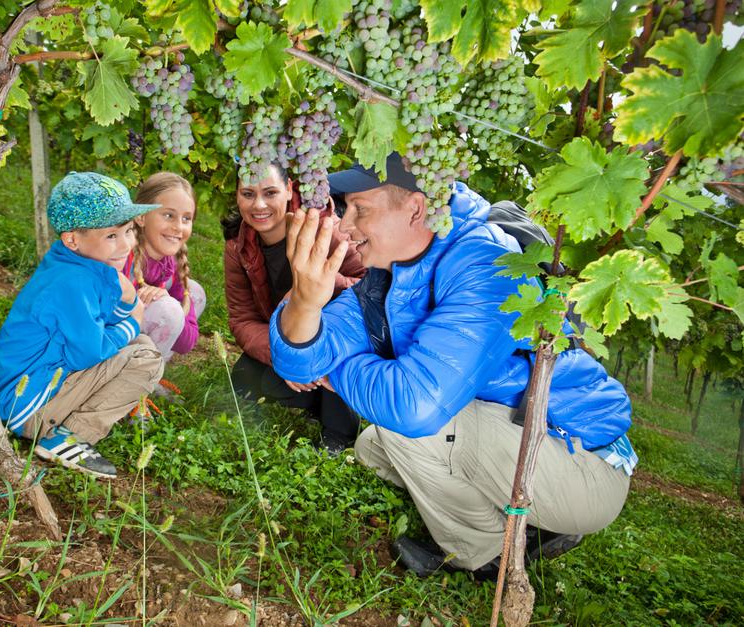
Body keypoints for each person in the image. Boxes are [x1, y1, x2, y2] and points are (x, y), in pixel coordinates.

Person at [269, 153, 637, 578]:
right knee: (373, 448)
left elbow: (415, 404)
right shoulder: (387, 277)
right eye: (346, 208)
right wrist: (306, 301)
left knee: (404, 429)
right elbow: (297, 363)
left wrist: (335, 373)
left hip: (580, 462)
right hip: (515, 439)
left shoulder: (486, 263)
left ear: (416, 209)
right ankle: (524, 522)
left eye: (360, 210)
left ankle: (485, 555)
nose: (345, 226)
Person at [0, 172, 164, 479]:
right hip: (28, 406)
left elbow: (104, 320)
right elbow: (91, 350)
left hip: (38, 384)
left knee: (141, 346)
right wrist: (134, 318)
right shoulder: (73, 281)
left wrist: (125, 301)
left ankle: (69, 421)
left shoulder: (80, 264)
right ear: (72, 239)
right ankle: (65, 435)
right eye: (111, 236)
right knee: (146, 359)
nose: (125, 245)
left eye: (128, 231)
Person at [222, 163, 366, 453]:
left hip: (332, 340)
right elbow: (242, 319)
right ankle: (310, 394)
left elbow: (370, 287)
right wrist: (282, 356)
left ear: (289, 190)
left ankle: (339, 433)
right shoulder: (238, 249)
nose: (258, 204)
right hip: (284, 337)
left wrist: (320, 282)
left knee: (332, 359)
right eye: (248, 194)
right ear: (237, 197)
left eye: (270, 192)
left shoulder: (325, 229)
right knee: (244, 380)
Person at [124, 172, 207, 361]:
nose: (178, 226)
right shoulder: (120, 256)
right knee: (168, 309)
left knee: (195, 293)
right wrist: (157, 302)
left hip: (140, 331)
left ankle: (153, 366)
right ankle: (134, 373)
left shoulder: (172, 264)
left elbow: (187, 343)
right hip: (111, 340)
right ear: (141, 217)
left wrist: (164, 295)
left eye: (186, 218)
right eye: (169, 215)